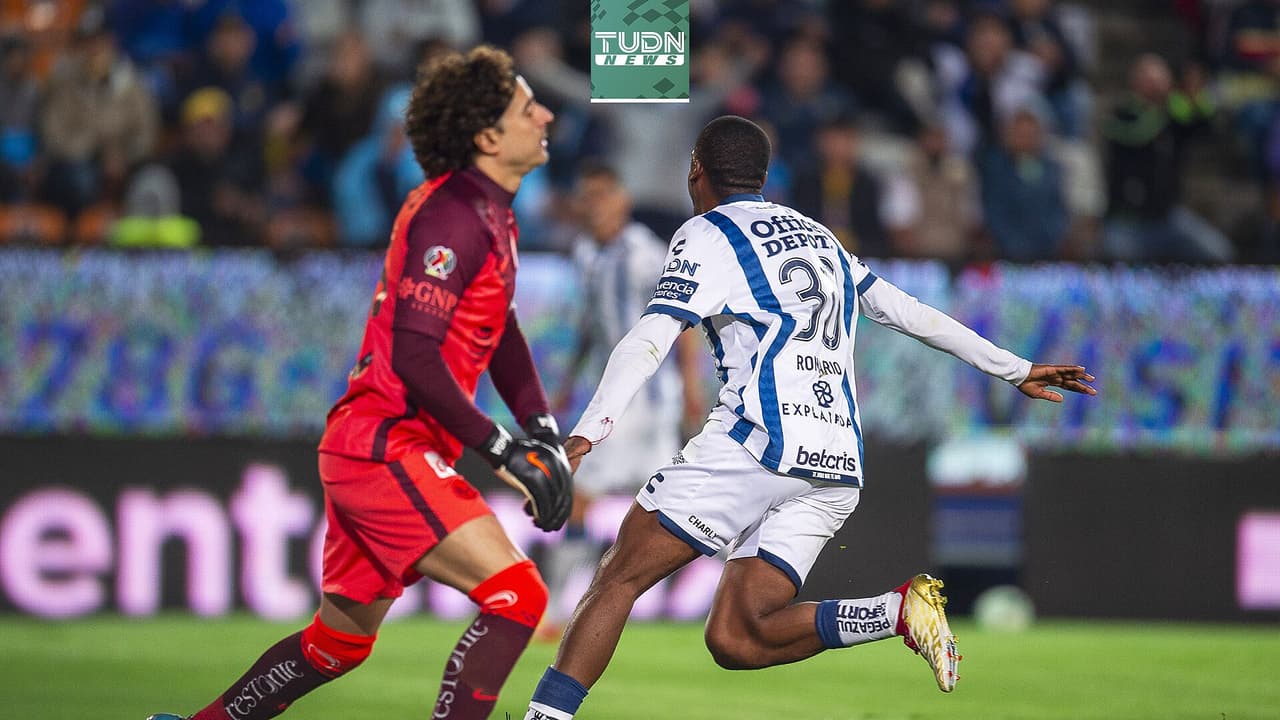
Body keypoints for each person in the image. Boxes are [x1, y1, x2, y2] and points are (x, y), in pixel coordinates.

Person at [523, 116, 1096, 719]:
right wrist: (1013, 367)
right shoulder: (817, 235)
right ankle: (898, 611)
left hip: (757, 442)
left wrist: (588, 429)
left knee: (618, 577)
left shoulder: (706, 233)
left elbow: (650, 337)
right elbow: (906, 310)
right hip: (837, 464)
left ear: (696, 169)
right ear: (763, 177)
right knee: (736, 638)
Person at [148, 45, 573, 720]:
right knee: (517, 595)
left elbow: (503, 328)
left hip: (374, 445)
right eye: (528, 106)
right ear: (488, 137)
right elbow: (414, 356)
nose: (546, 112)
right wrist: (501, 448)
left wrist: (540, 427)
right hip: (387, 447)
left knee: (337, 643)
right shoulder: (452, 217)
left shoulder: (489, 211)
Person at [538, 161, 705, 639]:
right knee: (585, 501)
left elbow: (682, 323)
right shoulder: (587, 254)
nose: (594, 206)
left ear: (623, 201)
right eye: (587, 197)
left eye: (603, 195)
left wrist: (691, 388)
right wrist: (569, 380)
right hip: (614, 399)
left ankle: (720, 589)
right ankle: (556, 607)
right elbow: (591, 326)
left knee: (665, 504)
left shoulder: (647, 254)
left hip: (651, 402)